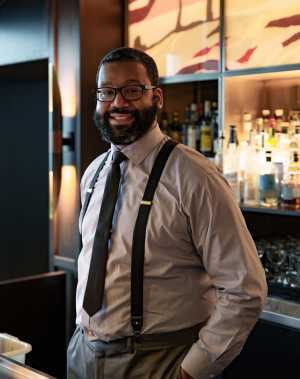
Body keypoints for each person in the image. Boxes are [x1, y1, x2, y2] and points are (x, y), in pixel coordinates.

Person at [67, 47, 267, 379]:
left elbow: (244, 288)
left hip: (158, 361)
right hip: (83, 355)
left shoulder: (194, 176)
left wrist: (190, 372)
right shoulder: (94, 174)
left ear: (157, 97)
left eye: (132, 90)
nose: (118, 102)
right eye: (107, 92)